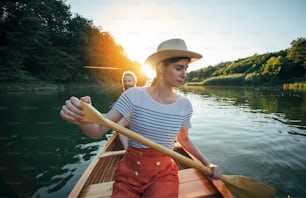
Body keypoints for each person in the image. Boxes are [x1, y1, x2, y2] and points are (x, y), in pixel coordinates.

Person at [60, 38, 222, 197]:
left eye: (186, 68)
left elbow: (184, 139)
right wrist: (83, 117)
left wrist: (207, 163)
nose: (184, 74)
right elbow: (97, 131)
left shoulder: (185, 105)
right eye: (179, 68)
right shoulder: (133, 95)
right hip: (130, 173)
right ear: (160, 67)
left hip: (164, 174)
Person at [118, 71, 137, 149]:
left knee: (120, 124)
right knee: (119, 124)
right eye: (125, 81)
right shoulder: (123, 96)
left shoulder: (139, 93)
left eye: (129, 81)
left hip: (139, 120)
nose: (127, 83)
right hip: (129, 121)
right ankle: (127, 149)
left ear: (134, 82)